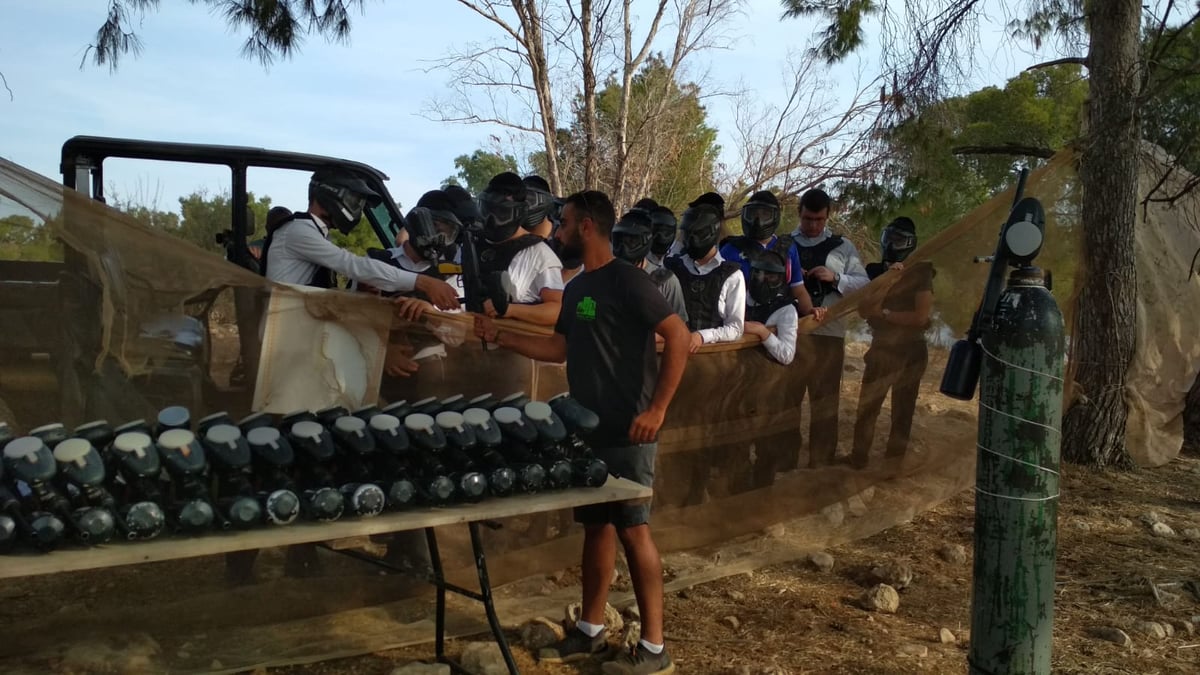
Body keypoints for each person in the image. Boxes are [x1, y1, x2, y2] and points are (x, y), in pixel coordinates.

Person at [474, 189, 690, 675]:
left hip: (631, 430)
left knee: (635, 531)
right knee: (596, 528)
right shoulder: (578, 290)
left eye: (566, 223)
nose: (559, 231)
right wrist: (501, 336)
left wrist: (657, 409)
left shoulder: (629, 283)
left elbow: (679, 337)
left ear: (588, 226)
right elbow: (559, 348)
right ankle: (591, 631)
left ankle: (655, 650)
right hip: (587, 432)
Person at [260, 168, 459, 309]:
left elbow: (316, 292)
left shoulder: (314, 233)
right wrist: (423, 282)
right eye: (353, 200)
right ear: (330, 194)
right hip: (283, 339)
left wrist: (358, 295)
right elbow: (353, 265)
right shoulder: (299, 231)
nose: (356, 208)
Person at [790, 188, 870, 468]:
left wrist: (836, 278)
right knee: (786, 401)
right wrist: (791, 279)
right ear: (799, 213)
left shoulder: (843, 247)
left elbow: (865, 286)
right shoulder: (784, 244)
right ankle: (783, 459)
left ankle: (821, 462)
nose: (813, 225)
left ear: (828, 216)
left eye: (819, 219)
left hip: (829, 336)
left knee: (825, 403)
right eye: (808, 219)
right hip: (791, 336)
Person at [851, 217, 934, 468]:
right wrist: (888, 282)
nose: (892, 244)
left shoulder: (921, 272)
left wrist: (886, 314)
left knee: (903, 410)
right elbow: (864, 310)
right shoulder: (875, 270)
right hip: (882, 347)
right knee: (868, 406)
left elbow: (921, 317)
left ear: (910, 243)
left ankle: (893, 462)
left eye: (899, 240)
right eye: (890, 238)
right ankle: (858, 458)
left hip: (911, 349)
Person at [475, 172, 564, 326]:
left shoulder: (540, 255)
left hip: (513, 344)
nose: (492, 220)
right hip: (466, 341)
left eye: (501, 213)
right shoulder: (471, 246)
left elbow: (557, 310)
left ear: (519, 212)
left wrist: (510, 310)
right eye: (488, 211)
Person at [664, 192, 746, 351]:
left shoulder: (733, 276)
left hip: (712, 360)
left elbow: (736, 328)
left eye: (698, 233)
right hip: (672, 352)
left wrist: (702, 336)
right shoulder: (671, 267)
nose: (691, 239)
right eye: (688, 233)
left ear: (712, 232)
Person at [719, 190, 817, 317]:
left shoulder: (788, 248)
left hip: (778, 322)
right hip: (740, 323)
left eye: (765, 215)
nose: (758, 221)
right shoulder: (730, 249)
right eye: (753, 214)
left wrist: (810, 312)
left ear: (775, 217)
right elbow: (717, 293)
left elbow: (798, 289)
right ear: (745, 215)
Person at [610, 208, 689, 323]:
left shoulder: (666, 281)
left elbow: (681, 328)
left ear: (646, 241)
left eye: (631, 241)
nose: (624, 247)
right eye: (620, 240)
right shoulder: (605, 276)